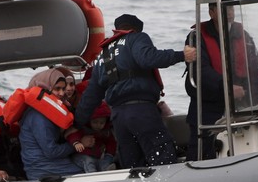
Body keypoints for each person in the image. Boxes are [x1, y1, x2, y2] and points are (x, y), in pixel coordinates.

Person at [75, 14, 197, 168]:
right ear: (136, 29)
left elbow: (90, 96)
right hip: (141, 112)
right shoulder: (136, 38)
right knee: (163, 158)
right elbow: (148, 58)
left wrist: (77, 123)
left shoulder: (103, 55)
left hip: (119, 119)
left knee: (132, 167)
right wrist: (182, 55)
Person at [184, 0, 258, 161]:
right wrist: (227, 88)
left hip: (240, 106)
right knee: (202, 152)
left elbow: (255, 71)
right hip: (207, 108)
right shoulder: (196, 38)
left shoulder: (244, 35)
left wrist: (256, 101)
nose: (229, 13)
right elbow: (200, 71)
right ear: (211, 12)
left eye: (231, 9)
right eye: (223, 9)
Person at [19, 68, 83, 180]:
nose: (62, 93)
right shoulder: (38, 116)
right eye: (57, 89)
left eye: (63, 89)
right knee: (87, 172)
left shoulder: (47, 112)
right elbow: (51, 151)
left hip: (51, 164)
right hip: (43, 169)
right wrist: (80, 144)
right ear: (45, 88)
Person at [66, 102, 117, 172]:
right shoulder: (84, 129)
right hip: (81, 155)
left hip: (96, 156)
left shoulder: (105, 132)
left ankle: (106, 168)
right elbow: (73, 134)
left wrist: (109, 154)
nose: (98, 125)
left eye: (102, 123)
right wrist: (76, 142)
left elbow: (111, 142)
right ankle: (92, 174)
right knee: (88, 162)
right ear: (89, 120)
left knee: (103, 162)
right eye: (95, 122)